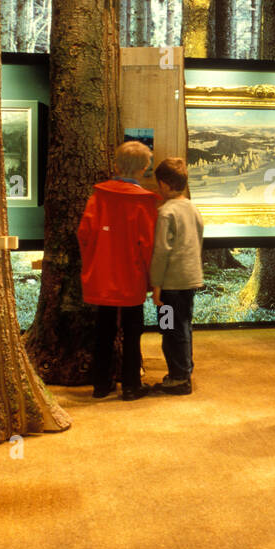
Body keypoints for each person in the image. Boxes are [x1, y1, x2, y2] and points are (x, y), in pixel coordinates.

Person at [77, 141, 158, 401]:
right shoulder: (145, 202)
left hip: (102, 274)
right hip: (132, 276)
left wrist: (93, 262)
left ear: (116, 165)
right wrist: (151, 279)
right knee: (133, 332)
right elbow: (148, 245)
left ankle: (101, 385)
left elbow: (85, 234)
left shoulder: (98, 197)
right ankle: (132, 385)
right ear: (145, 168)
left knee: (103, 330)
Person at [149, 157, 204, 395]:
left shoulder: (165, 213)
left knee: (169, 328)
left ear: (164, 184)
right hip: (190, 279)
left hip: (170, 284)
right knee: (183, 326)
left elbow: (161, 251)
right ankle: (184, 370)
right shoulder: (192, 208)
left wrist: (156, 285)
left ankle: (178, 377)